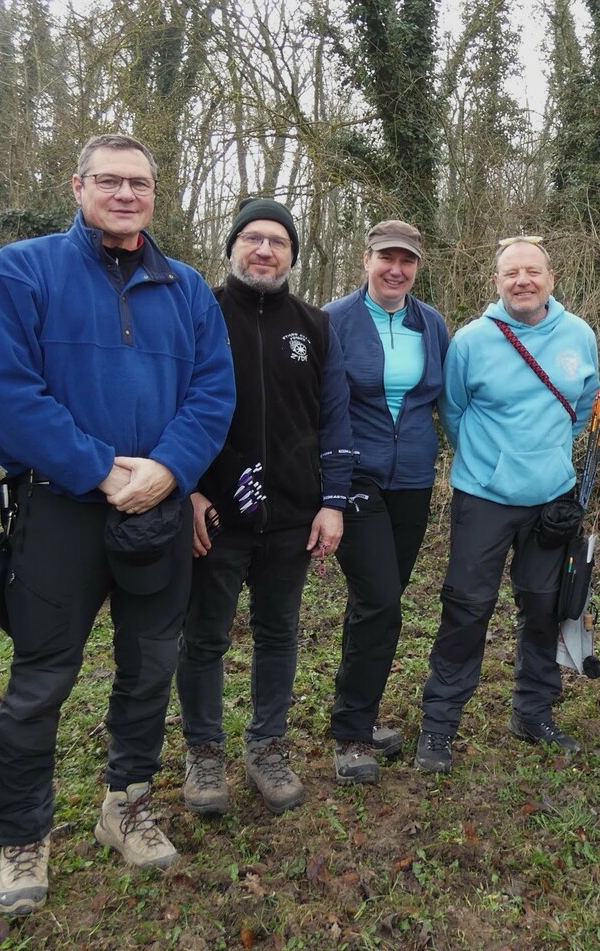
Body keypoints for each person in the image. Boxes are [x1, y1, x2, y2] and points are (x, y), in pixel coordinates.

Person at [0, 133, 235, 914]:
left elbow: (213, 393)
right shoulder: (23, 270)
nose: (126, 195)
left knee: (151, 668)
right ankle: (23, 836)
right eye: (110, 181)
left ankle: (126, 805)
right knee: (41, 680)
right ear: (77, 185)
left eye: (140, 184)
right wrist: (98, 467)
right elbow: (9, 392)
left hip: (157, 509)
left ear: (156, 195)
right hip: (61, 509)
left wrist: (168, 469)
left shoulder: (187, 289)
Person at [176, 198, 355, 815]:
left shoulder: (314, 325)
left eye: (278, 242)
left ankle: (266, 746)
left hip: (292, 513)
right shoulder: (199, 313)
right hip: (216, 514)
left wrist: (331, 502)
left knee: (278, 632)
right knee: (205, 636)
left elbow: (333, 419)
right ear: (231, 248)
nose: (264, 250)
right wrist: (187, 490)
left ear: (291, 257)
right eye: (252, 238)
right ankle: (203, 753)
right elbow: (170, 407)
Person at [414, 235, 600, 775]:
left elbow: (584, 404)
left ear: (550, 278)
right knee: (467, 609)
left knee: (543, 609)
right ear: (496, 282)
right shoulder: (472, 341)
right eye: (511, 272)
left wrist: (549, 460)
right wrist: (490, 461)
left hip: (552, 500)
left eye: (532, 271)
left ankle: (533, 713)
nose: (523, 280)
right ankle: (440, 725)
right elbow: (452, 409)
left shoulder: (579, 335)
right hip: (484, 498)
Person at [323, 220, 449, 784]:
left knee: (380, 599)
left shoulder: (433, 324)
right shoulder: (334, 321)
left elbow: (447, 400)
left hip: (415, 478)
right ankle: (351, 735)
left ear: (418, 267)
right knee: (379, 602)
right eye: (386, 258)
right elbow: (318, 407)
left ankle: (359, 713)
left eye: (407, 260)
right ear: (366, 260)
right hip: (356, 476)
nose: (396, 269)